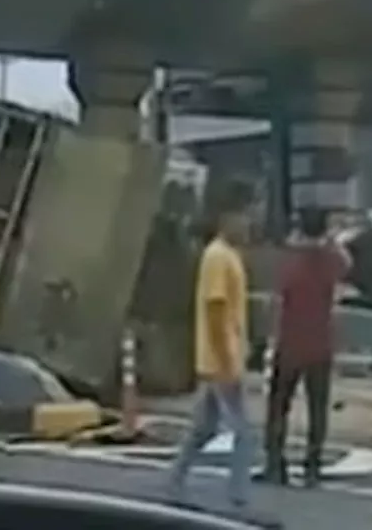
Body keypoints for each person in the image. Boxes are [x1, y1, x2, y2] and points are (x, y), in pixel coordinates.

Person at [166, 182, 255, 513]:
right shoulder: (218, 257)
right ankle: (239, 500)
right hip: (221, 360)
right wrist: (228, 361)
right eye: (245, 215)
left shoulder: (227, 255)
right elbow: (215, 310)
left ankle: (173, 481)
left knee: (203, 428)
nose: (250, 223)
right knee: (244, 434)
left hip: (220, 357)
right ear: (226, 218)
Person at [261, 207, 352, 487]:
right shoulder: (331, 260)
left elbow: (276, 296)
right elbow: (347, 264)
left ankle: (275, 465)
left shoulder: (290, 259)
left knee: (278, 406)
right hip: (321, 344)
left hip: (290, 343)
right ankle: (312, 467)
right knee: (317, 407)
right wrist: (331, 240)